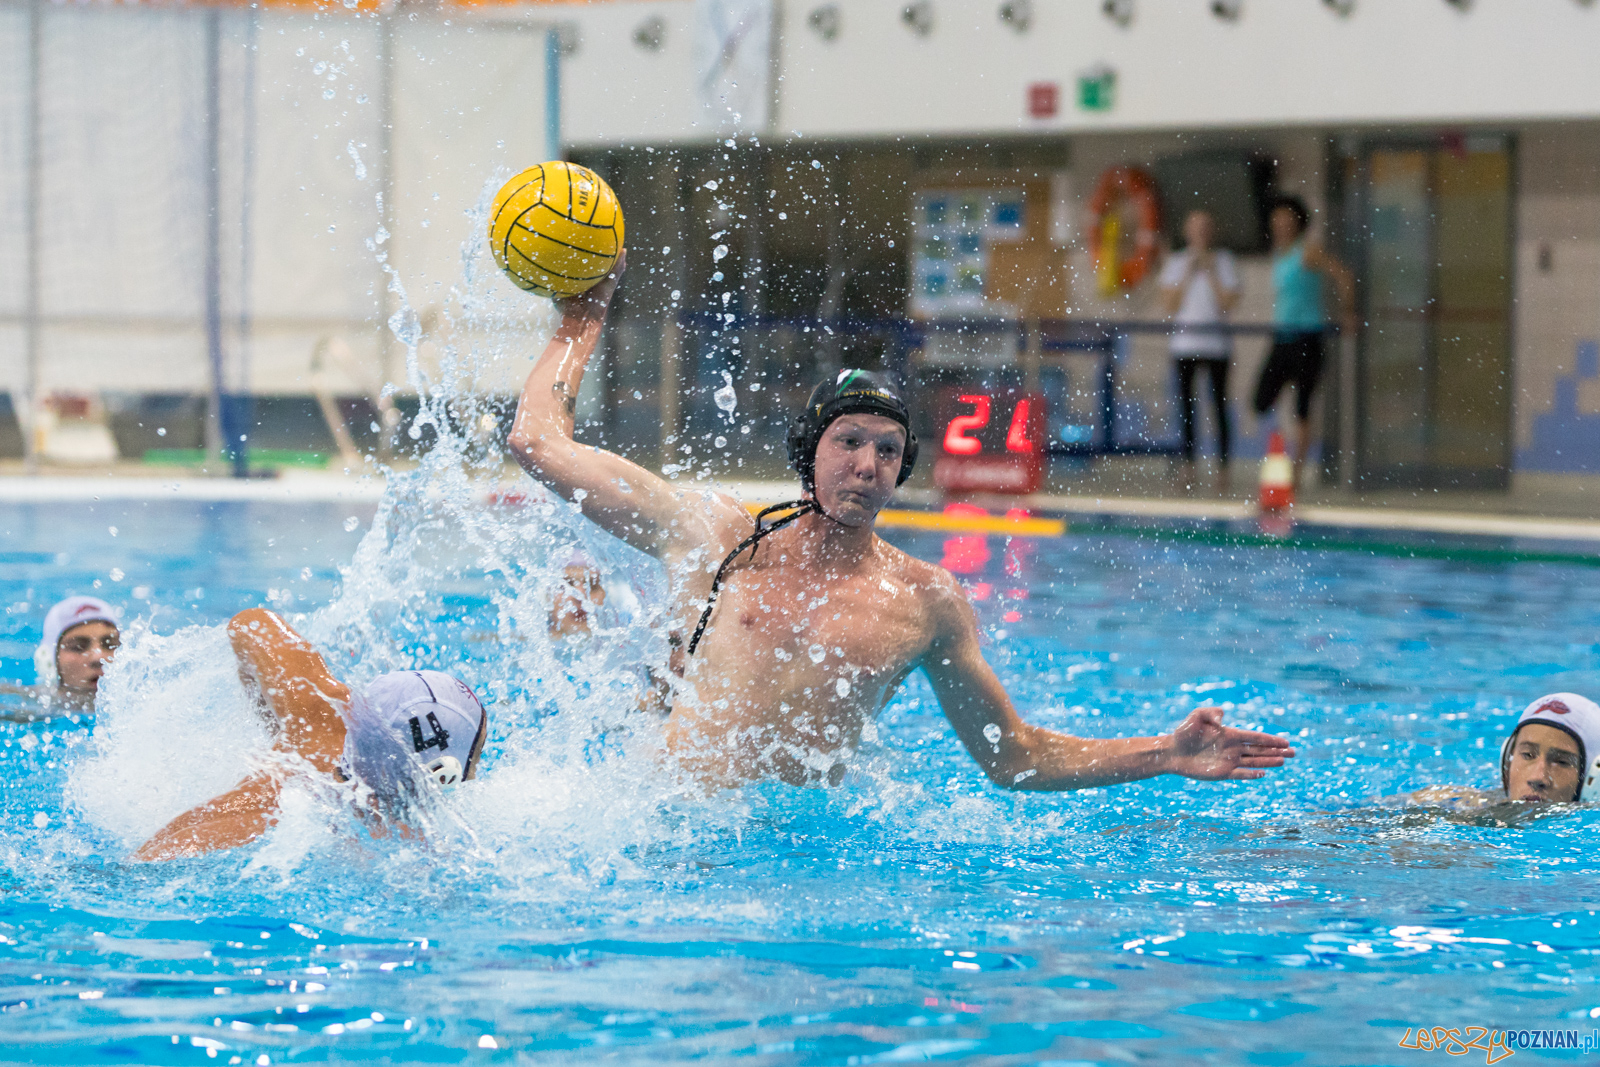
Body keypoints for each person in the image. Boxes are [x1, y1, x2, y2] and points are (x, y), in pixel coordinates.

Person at [506, 252, 1295, 791]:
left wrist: (1166, 751)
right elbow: (536, 442)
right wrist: (582, 320)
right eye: (847, 441)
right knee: (641, 680)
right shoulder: (713, 533)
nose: (867, 464)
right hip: (663, 836)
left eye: (887, 450)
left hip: (791, 868)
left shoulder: (925, 602)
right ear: (808, 451)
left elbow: (1012, 756)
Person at [134, 609, 488, 861]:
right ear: (444, 771)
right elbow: (148, 867)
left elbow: (252, 622)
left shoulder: (318, 720)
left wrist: (279, 736)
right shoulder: (299, 829)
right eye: (478, 752)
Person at [1251, 196, 1356, 482]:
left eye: (1287, 222)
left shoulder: (1308, 251)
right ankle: (1277, 454)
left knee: (1303, 407)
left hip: (1308, 337)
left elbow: (1343, 275)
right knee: (1260, 401)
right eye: (1277, 222)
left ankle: (1295, 474)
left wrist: (1347, 313)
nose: (1282, 227)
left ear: (1298, 224)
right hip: (1282, 337)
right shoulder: (1279, 254)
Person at [1409, 693, 1600, 810]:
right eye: (1527, 755)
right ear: (1507, 760)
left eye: (1561, 762)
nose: (1538, 778)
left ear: (1593, 777)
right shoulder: (1459, 805)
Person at [1159, 210, 1240, 486]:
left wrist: (1212, 271)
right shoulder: (1176, 262)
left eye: (1205, 227)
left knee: (1218, 407)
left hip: (1217, 346)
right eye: (1196, 228)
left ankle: (1223, 469)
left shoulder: (1225, 261)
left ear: (1212, 231)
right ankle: (1189, 466)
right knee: (1186, 408)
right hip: (1185, 344)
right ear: (1187, 232)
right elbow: (1169, 306)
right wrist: (1188, 272)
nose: (1201, 233)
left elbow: (1228, 304)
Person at [0, 595, 121, 720]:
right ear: (48, 661)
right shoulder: (21, 707)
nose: (98, 658)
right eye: (78, 646)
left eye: (110, 644)